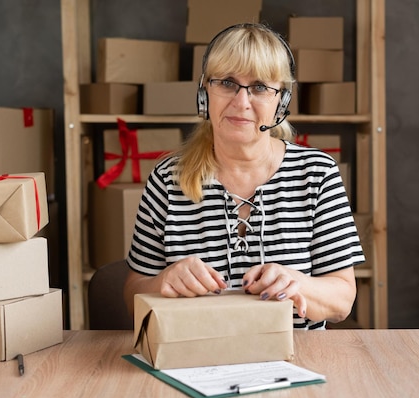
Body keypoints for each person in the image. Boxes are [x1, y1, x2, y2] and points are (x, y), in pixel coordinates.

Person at [123, 22, 364, 330]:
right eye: (226, 82)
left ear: (282, 101)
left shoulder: (318, 173)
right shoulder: (168, 177)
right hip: (192, 357)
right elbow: (132, 297)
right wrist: (162, 284)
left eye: (261, 87)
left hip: (292, 358)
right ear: (204, 92)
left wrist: (298, 283)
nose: (241, 102)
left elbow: (342, 301)